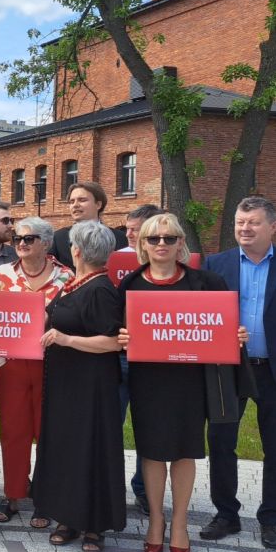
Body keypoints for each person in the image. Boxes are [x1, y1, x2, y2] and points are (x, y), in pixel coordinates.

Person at [117, 213, 250, 552]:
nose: (161, 244)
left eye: (169, 238)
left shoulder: (206, 282)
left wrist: (235, 335)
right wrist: (122, 337)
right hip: (148, 381)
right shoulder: (130, 284)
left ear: (181, 243)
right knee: (151, 451)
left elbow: (223, 326)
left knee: (184, 451)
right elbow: (114, 331)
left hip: (191, 381)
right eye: (154, 239)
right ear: (143, 244)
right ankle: (155, 520)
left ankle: (179, 523)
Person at [201, 196, 276, 550]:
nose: (245, 228)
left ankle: (271, 520)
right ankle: (226, 514)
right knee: (221, 443)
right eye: (240, 222)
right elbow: (204, 315)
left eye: (253, 222)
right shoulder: (217, 264)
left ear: (273, 226)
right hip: (228, 370)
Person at [31, 220, 125, 552]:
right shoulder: (73, 283)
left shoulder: (100, 289)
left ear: (78, 251)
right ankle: (68, 516)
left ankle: (95, 525)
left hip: (91, 384)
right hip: (65, 380)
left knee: (90, 448)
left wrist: (67, 339)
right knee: (68, 447)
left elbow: (113, 342)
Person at [0, 216, 72, 529]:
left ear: (46, 243)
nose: (21, 243)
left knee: (48, 432)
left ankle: (45, 498)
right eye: (17, 238)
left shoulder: (66, 277)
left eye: (28, 239)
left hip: (53, 364)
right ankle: (13, 493)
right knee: (13, 431)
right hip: (11, 365)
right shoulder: (2, 275)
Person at [116, 203, 161, 515]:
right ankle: (109, 486)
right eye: (127, 229)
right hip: (119, 357)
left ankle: (144, 489)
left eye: (136, 230)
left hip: (155, 360)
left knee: (150, 429)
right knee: (111, 425)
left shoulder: (171, 264)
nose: (129, 235)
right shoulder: (115, 260)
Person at [50, 182, 127, 268]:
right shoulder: (57, 238)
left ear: (98, 204)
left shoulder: (119, 237)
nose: (75, 205)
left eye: (82, 200)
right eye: (72, 202)